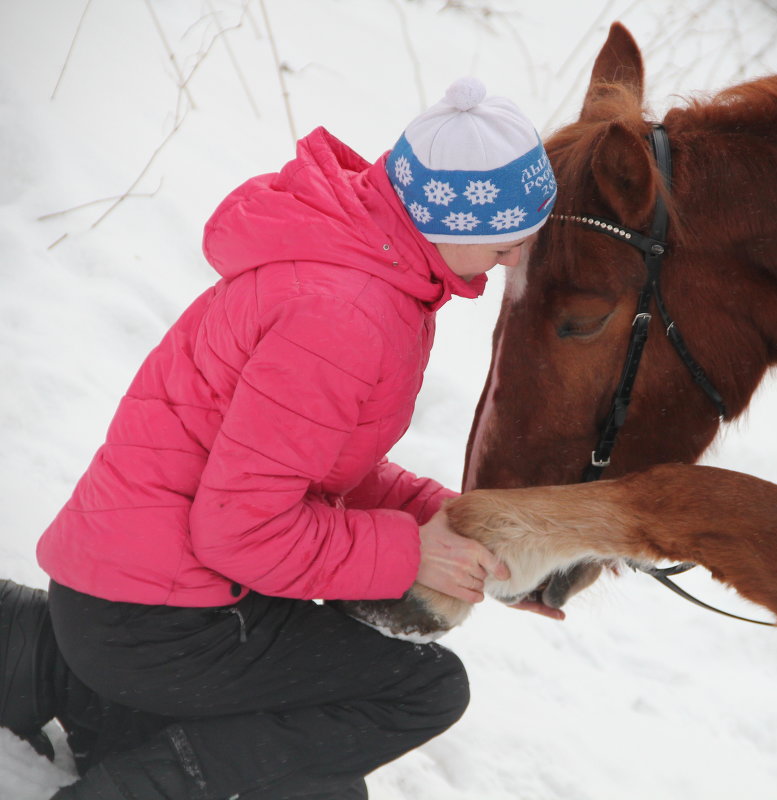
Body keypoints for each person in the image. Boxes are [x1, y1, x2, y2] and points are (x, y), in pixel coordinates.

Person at [0, 76, 557, 798]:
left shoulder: (368, 264)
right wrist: (410, 551)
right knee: (418, 691)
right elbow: (243, 532)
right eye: (506, 238)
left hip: (129, 591)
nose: (516, 259)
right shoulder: (343, 314)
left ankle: (47, 663)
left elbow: (313, 462)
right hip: (156, 620)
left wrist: (446, 517)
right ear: (449, 219)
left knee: (319, 780)